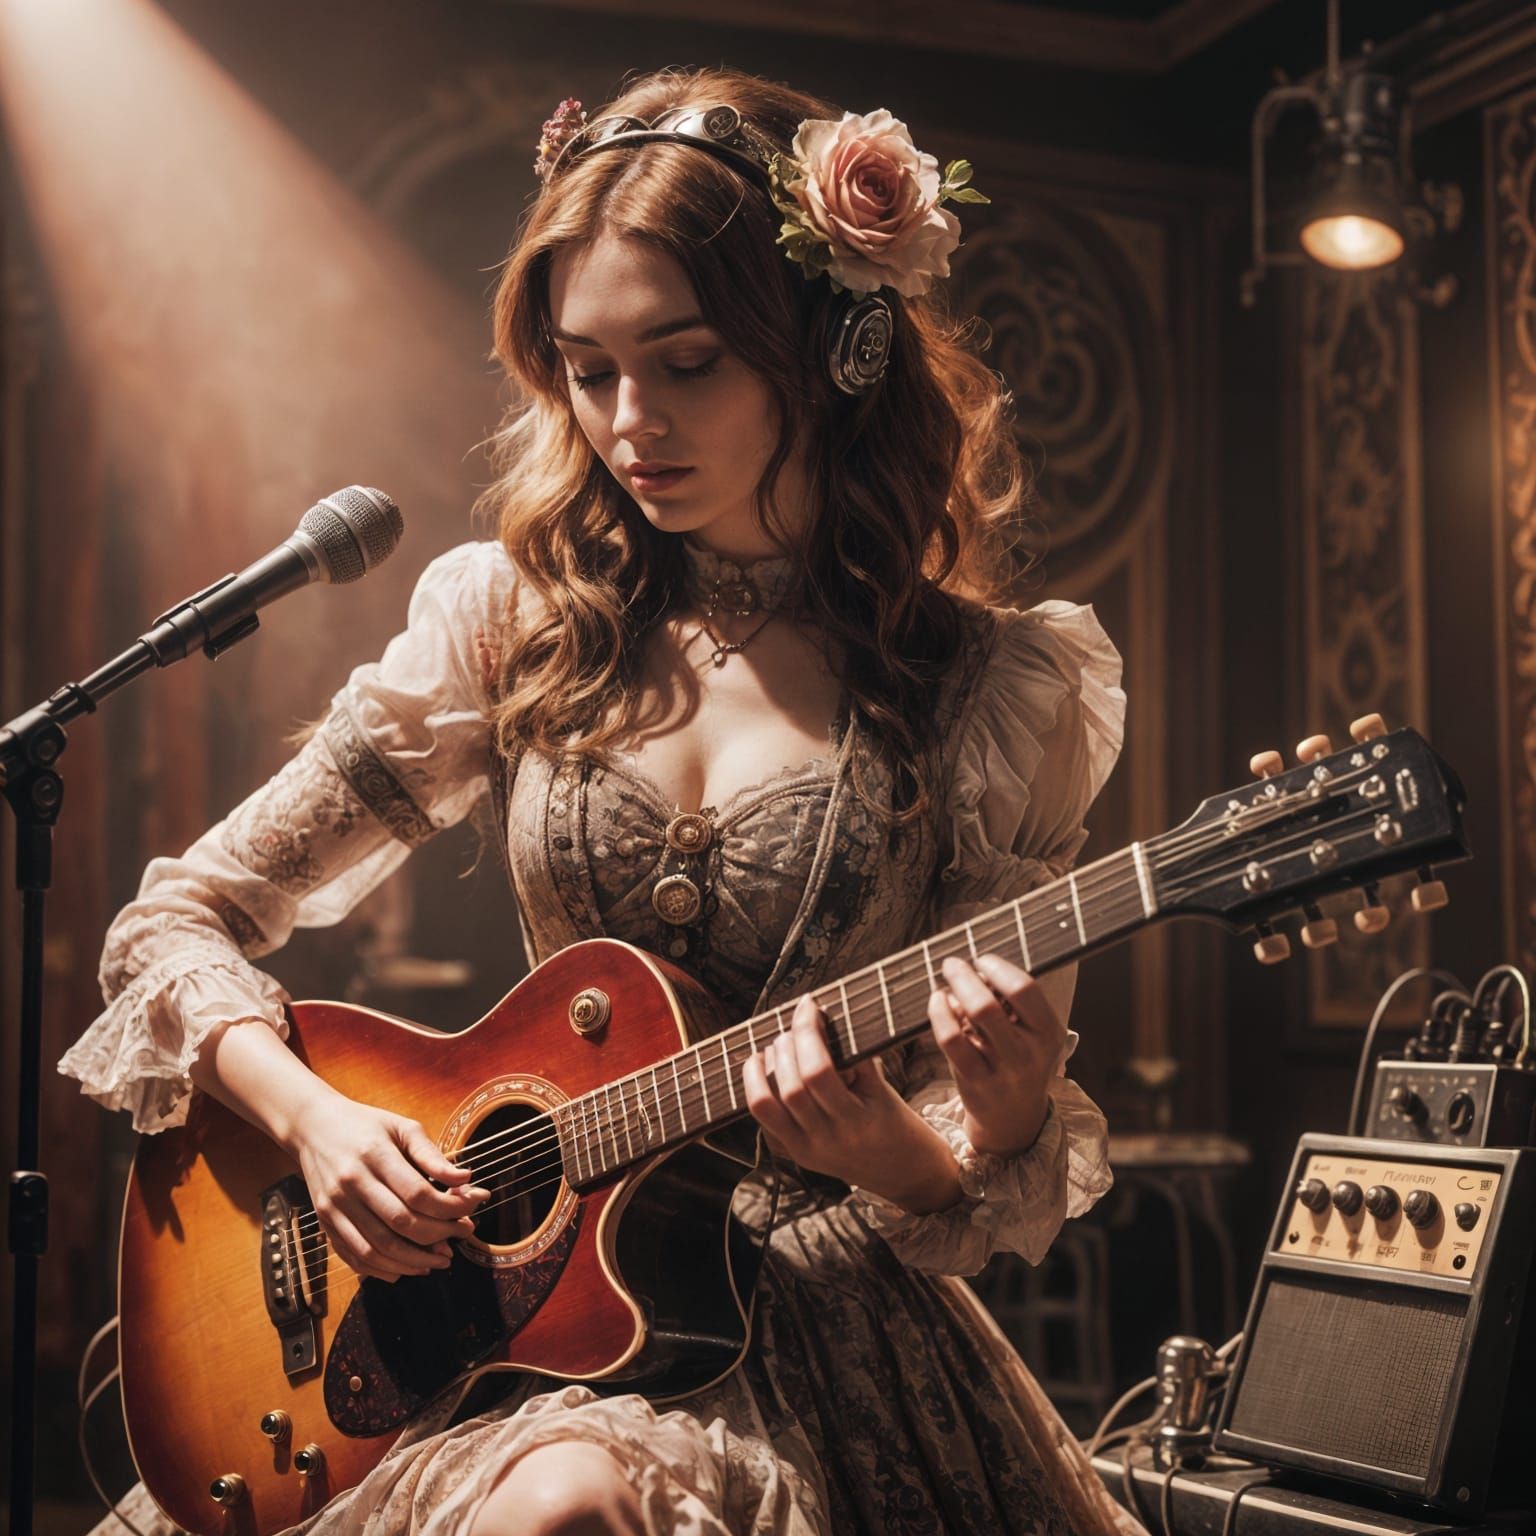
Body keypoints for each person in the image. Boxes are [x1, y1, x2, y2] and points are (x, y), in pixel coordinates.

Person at [62, 66, 1137, 1536]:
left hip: (811, 1334)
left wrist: (943, 1132)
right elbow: (173, 922)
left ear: (829, 346)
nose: (631, 422)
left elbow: (981, 1176)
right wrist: (316, 1125)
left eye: (686, 362)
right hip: (493, 1318)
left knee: (567, 1511)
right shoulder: (516, 623)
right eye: (588, 367)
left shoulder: (992, 692)